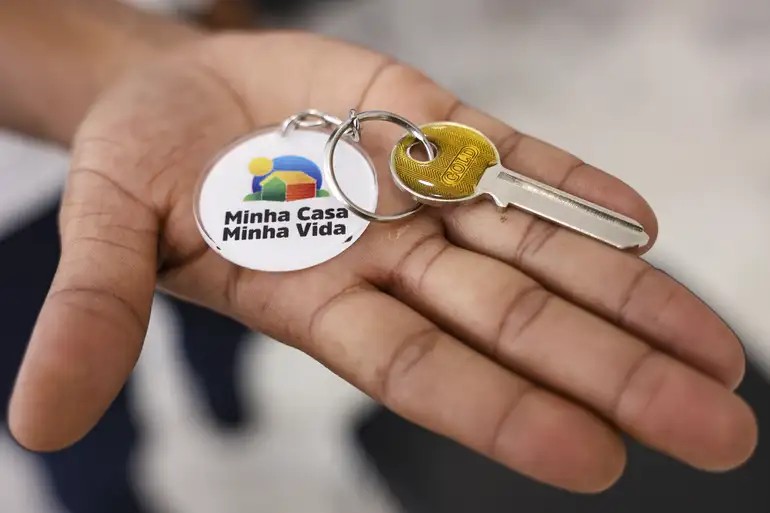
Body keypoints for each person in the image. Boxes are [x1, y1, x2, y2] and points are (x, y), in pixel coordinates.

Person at [0, 0, 758, 496]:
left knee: (224, 321)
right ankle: (112, 492)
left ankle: (227, 401)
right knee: (80, 407)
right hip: (17, 207)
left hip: (171, 58)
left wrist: (149, 50)